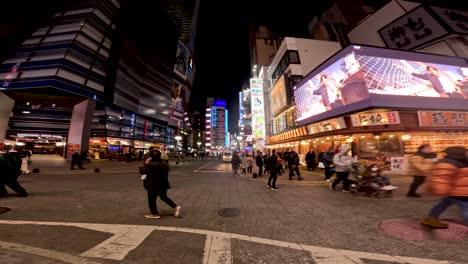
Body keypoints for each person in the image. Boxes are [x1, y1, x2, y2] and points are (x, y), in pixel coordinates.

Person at [420, 146, 468, 228]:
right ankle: (430, 219)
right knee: (465, 208)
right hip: (461, 193)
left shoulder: (459, 162)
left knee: (444, 204)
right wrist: (441, 190)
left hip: (454, 192)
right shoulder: (451, 163)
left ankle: (430, 218)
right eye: (466, 152)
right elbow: (441, 178)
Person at [143, 150, 181, 219]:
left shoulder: (151, 165)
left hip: (153, 185)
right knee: (163, 197)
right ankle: (175, 207)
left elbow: (143, 172)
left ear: (151, 157)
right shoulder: (165, 164)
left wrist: (146, 163)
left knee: (151, 199)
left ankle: (154, 213)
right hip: (163, 184)